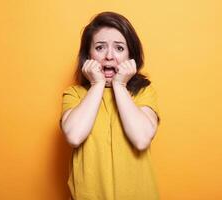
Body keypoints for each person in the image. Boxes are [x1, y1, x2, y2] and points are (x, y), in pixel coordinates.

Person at [60, 11, 161, 200]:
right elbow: (74, 136)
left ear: (131, 56)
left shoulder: (143, 92)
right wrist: (97, 84)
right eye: (99, 47)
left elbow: (141, 139)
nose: (109, 56)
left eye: (119, 48)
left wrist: (120, 84)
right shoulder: (74, 95)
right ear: (88, 55)